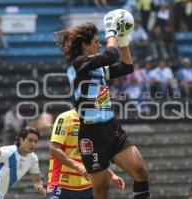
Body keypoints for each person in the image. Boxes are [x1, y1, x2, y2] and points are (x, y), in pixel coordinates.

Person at [55, 11, 150, 199]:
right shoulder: (78, 64)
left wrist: (122, 38)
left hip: (111, 128)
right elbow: (110, 54)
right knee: (101, 190)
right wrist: (111, 30)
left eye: (100, 40)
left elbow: (126, 67)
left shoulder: (96, 67)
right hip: (91, 135)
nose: (99, 44)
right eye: (96, 41)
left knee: (140, 170)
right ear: (85, 46)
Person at [46, 109, 125, 198]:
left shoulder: (95, 122)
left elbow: (93, 155)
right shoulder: (65, 118)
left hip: (88, 187)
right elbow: (53, 149)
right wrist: (78, 166)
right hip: (60, 185)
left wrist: (111, 176)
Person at [0, 126, 46, 199]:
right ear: (21, 140)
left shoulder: (33, 159)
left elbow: (37, 181)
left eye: (35, 141)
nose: (33, 144)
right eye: (30, 140)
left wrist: (39, 187)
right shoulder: (7, 152)